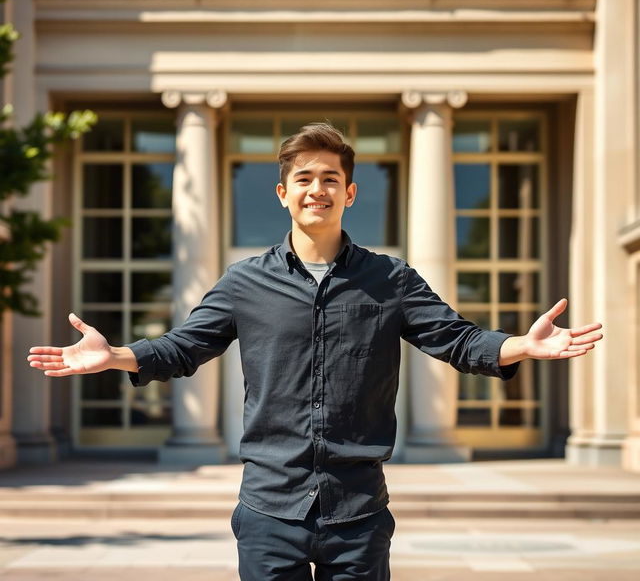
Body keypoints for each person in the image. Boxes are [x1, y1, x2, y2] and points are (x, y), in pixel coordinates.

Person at [28, 122, 603, 581]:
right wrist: (117, 356)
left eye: (330, 179)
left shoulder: (391, 279)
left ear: (349, 192)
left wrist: (518, 345)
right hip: (268, 509)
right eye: (304, 179)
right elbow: (183, 347)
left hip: (359, 513)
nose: (317, 190)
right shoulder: (243, 283)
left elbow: (456, 339)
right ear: (284, 194)